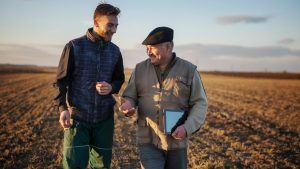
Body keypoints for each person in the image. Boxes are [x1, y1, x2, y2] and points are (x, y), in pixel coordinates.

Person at [119, 26, 208, 169]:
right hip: (147, 138)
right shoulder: (140, 69)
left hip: (177, 141)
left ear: (168, 46)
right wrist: (128, 105)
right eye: (147, 48)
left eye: (152, 47)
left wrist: (187, 127)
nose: (148, 52)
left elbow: (200, 104)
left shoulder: (189, 70)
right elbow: (130, 95)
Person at [54, 3, 124, 169]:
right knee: (73, 165)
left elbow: (119, 79)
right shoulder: (74, 46)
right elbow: (61, 81)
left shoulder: (115, 51)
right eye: (110, 25)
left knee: (101, 166)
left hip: (104, 121)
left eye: (116, 26)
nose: (114, 30)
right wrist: (62, 107)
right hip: (78, 119)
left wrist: (111, 87)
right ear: (96, 22)